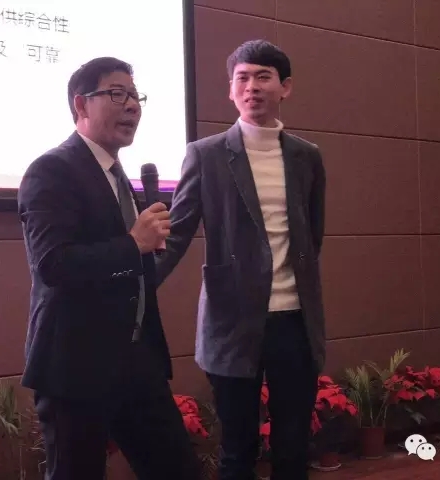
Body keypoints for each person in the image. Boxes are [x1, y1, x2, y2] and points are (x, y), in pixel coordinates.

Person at [17, 56, 201, 480]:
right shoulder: (52, 170)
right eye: (117, 94)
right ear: (81, 104)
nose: (132, 105)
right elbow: (53, 264)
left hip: (137, 362)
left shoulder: (117, 176)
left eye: (135, 96)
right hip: (77, 368)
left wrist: (142, 251)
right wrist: (132, 244)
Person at [156, 40, 326, 480]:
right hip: (232, 322)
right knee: (237, 448)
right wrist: (137, 286)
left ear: (285, 87)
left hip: (295, 320)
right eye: (242, 78)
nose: (252, 87)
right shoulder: (206, 155)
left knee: (293, 446)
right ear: (231, 90)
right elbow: (177, 234)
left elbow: (312, 236)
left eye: (263, 77)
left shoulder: (307, 157)